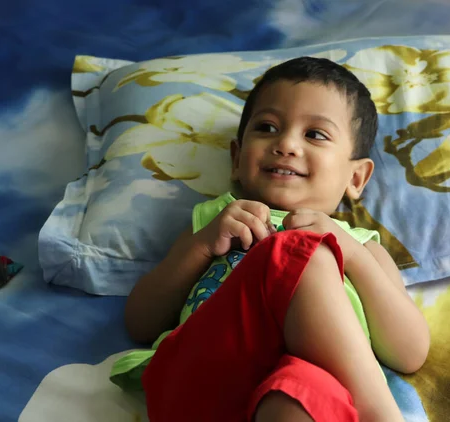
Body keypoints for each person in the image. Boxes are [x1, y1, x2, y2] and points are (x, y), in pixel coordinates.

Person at [112, 57, 430, 422]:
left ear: (356, 178)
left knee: (298, 392)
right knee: (297, 252)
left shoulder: (363, 247)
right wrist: (202, 245)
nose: (286, 144)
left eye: (315, 134)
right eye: (267, 127)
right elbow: (140, 322)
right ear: (236, 158)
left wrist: (352, 255)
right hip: (202, 382)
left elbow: (410, 352)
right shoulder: (214, 222)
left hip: (307, 399)